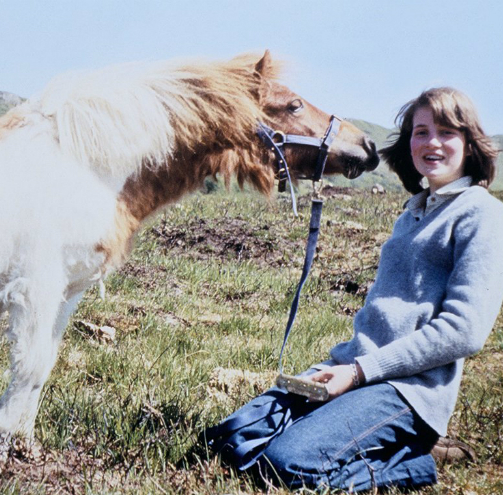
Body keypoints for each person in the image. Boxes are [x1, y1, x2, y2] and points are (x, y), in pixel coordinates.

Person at [205, 87, 503, 492]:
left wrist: (360, 372)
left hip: (407, 391)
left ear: (469, 144)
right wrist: (348, 368)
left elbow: (464, 331)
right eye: (421, 132)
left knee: (287, 465)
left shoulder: (481, 213)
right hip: (354, 371)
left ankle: (414, 465)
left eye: (447, 132)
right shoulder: (413, 212)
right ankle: (363, 437)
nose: (432, 143)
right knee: (229, 439)